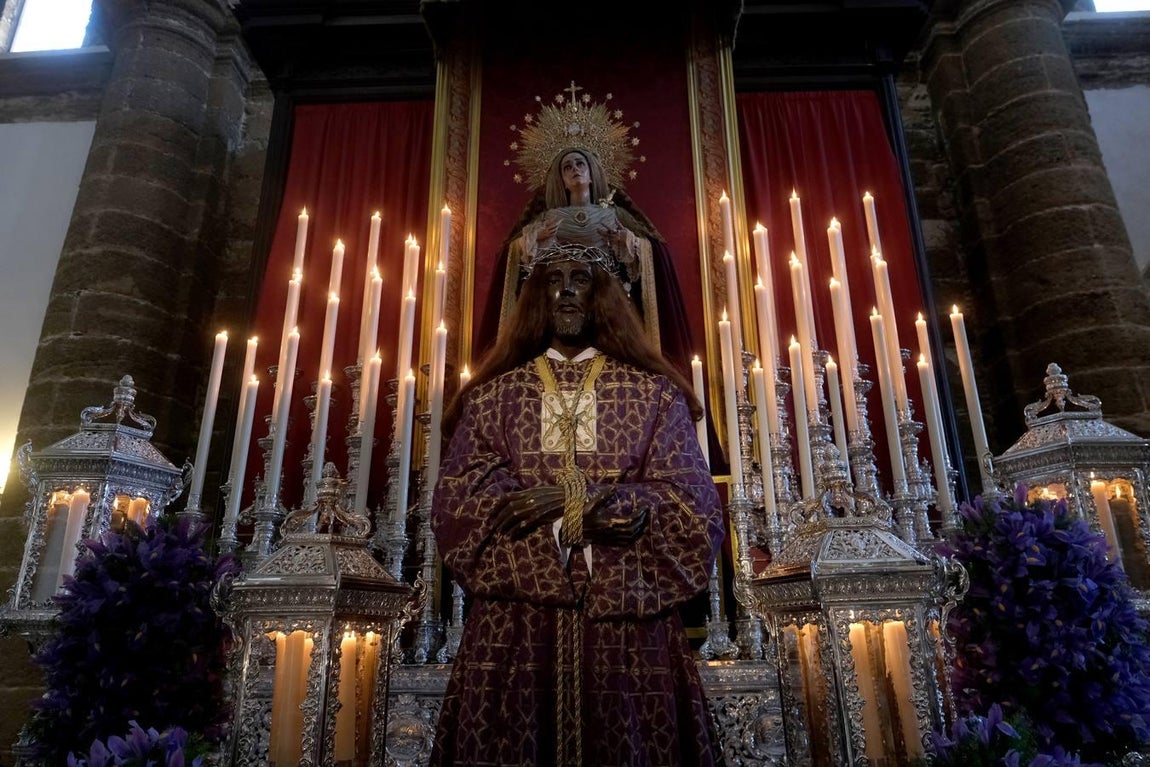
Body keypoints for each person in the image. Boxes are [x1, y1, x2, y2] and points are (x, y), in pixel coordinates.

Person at [431, 243, 725, 766]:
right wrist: (574, 530)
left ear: (604, 296)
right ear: (535, 297)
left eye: (581, 279)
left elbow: (691, 510)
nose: (566, 291)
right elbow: (462, 508)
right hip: (513, 635)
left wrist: (574, 504)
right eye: (553, 280)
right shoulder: (491, 398)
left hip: (630, 629)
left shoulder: (653, 396)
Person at [481, 146, 696, 373]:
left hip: (607, 296)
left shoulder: (614, 215)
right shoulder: (549, 218)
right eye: (568, 167)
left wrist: (628, 242)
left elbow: (648, 250)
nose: (575, 169)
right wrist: (536, 239)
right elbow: (519, 254)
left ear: (591, 174)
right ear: (562, 180)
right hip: (562, 298)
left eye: (580, 164)